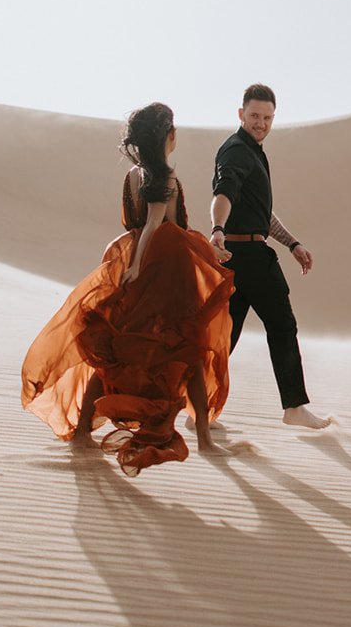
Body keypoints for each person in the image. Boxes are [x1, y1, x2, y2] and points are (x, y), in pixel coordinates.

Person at [21, 103, 235, 475]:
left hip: (140, 265)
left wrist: (134, 263)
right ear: (165, 134)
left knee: (114, 349)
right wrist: (138, 266)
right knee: (190, 352)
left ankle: (82, 432)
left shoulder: (134, 175)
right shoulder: (162, 175)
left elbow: (141, 225)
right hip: (166, 273)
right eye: (173, 128)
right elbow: (156, 225)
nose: (176, 134)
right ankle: (203, 437)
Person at [209, 83, 332, 429]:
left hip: (238, 254)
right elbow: (224, 193)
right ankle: (294, 407)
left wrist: (292, 243)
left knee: (225, 336)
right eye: (253, 116)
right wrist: (216, 228)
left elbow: (260, 214)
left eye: (266, 117)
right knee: (282, 326)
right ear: (240, 115)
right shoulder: (236, 152)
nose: (260, 122)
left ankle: (197, 406)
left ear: (273, 118)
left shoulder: (253, 152)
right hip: (246, 255)